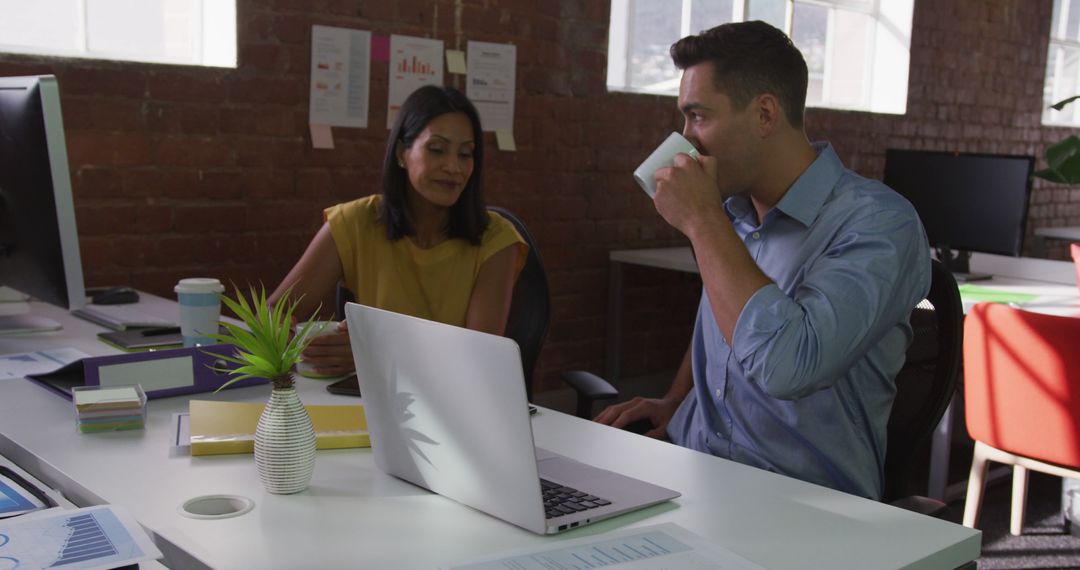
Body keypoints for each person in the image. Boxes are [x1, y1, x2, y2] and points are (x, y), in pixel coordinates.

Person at [595, 21, 931, 500]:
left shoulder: (879, 224)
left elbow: (787, 368)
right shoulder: (732, 211)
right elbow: (724, 316)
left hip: (803, 505)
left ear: (765, 115)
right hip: (695, 473)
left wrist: (702, 222)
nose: (687, 140)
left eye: (699, 117)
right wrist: (678, 399)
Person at [270, 85, 527, 377]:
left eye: (466, 154)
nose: (454, 167)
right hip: (367, 401)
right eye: (437, 149)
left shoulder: (497, 239)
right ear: (402, 153)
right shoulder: (356, 222)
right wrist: (296, 343)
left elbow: (480, 358)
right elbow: (274, 313)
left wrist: (374, 352)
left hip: (454, 405)